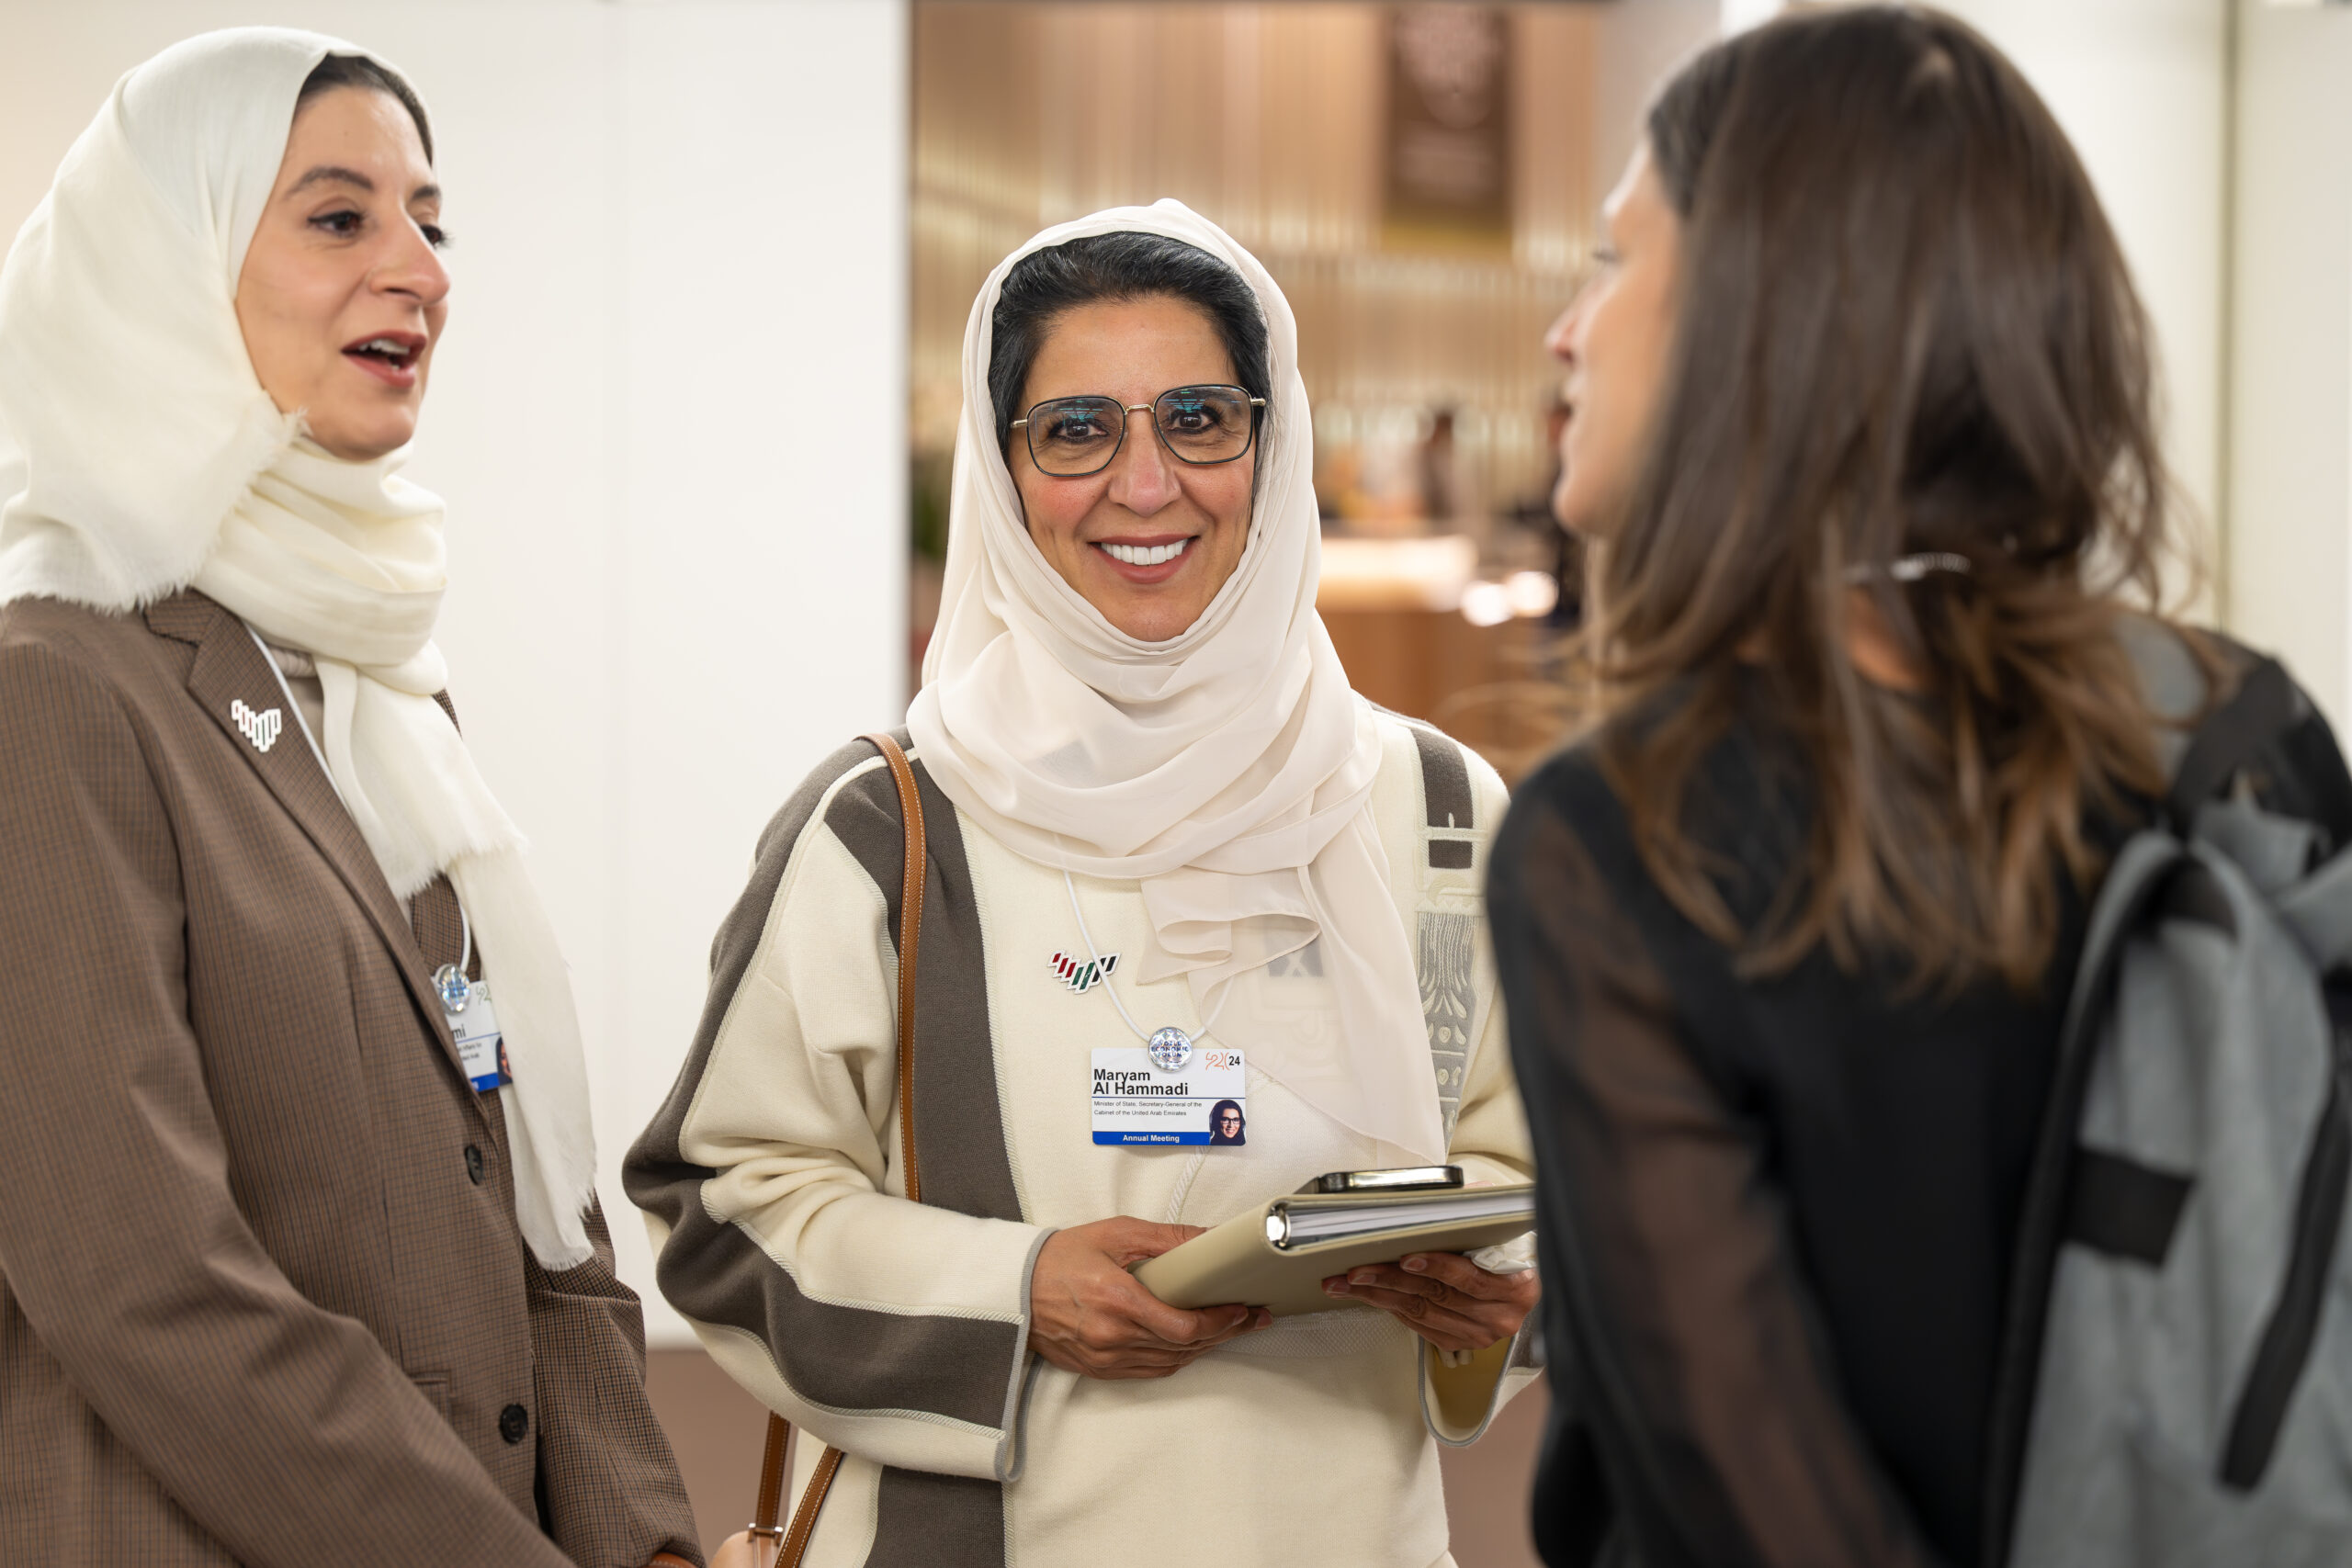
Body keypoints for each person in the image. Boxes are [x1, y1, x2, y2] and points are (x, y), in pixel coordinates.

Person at [1487, 9, 2352, 1568]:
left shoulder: (1621, 842)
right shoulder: (2242, 730)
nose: (1569, 329)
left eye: (1617, 262)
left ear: (1764, 318)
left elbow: (1762, 1513)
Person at [628, 201, 1538, 1566]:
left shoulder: (1442, 817)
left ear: (1266, 444)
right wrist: (1015, 1289)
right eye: (1076, 431)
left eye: (1197, 419)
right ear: (1004, 472)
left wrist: (1496, 1289)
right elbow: (717, 1205)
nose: (1146, 482)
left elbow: (1540, 1167)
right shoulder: (889, 826)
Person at [0, 30, 698, 1566]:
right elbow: (142, 1281)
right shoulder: (55, 688)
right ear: (163, 270)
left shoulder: (378, 689)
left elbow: (528, 1193)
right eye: (339, 217)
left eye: (430, 220)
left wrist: (643, 1542)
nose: (423, 271)